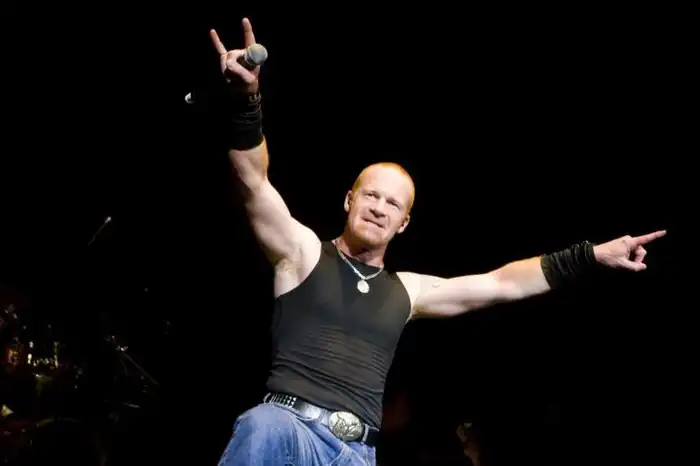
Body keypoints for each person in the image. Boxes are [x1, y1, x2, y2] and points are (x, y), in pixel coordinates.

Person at [211, 18, 666, 466]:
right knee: (260, 424)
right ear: (349, 200)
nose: (379, 208)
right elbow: (253, 180)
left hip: (354, 454)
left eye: (392, 204)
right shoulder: (304, 252)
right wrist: (247, 99)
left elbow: (502, 283)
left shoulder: (407, 290)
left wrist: (590, 256)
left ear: (403, 223)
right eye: (371, 195)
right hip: (287, 427)